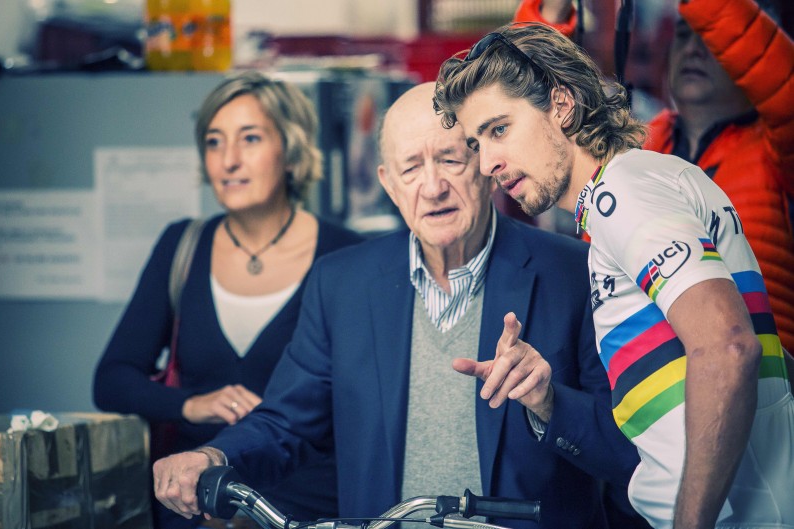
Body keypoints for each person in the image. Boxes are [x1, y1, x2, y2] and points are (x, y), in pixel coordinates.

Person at [151, 82, 642, 529]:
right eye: (411, 167)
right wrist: (213, 457)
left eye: (450, 159)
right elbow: (285, 423)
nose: (431, 187)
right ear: (388, 183)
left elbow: (629, 452)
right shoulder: (341, 283)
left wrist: (549, 402)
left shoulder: (575, 272)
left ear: (487, 165)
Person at [434, 21, 794, 528]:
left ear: (561, 106)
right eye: (476, 144)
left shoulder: (620, 193)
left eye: (499, 129)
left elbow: (730, 348)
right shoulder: (654, 179)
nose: (489, 162)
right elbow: (770, 357)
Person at [93, 71, 362, 529]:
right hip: (194, 506)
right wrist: (189, 404)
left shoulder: (346, 256)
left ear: (292, 153)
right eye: (214, 142)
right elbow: (111, 379)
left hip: (306, 508)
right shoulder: (182, 246)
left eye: (250, 138)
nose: (229, 160)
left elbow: (361, 401)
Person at [514, 0, 794, 351]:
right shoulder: (634, 142)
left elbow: (779, 73)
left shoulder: (780, 145)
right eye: (682, 35)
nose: (693, 49)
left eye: (709, 37)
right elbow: (525, 102)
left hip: (758, 388)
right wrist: (551, 8)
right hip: (647, 387)